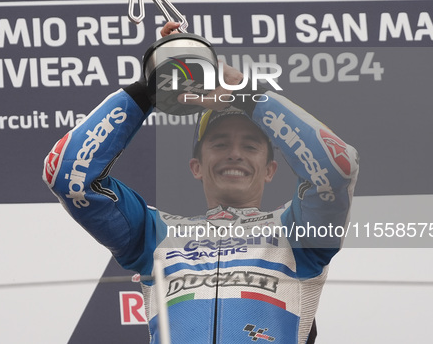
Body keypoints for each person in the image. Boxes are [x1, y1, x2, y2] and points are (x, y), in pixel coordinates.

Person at [43, 22, 359, 344]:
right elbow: (68, 177)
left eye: (250, 146)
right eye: (220, 143)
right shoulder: (154, 234)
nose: (235, 154)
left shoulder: (299, 235)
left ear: (270, 169)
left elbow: (337, 168)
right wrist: (151, 90)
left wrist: (244, 90)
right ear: (196, 166)